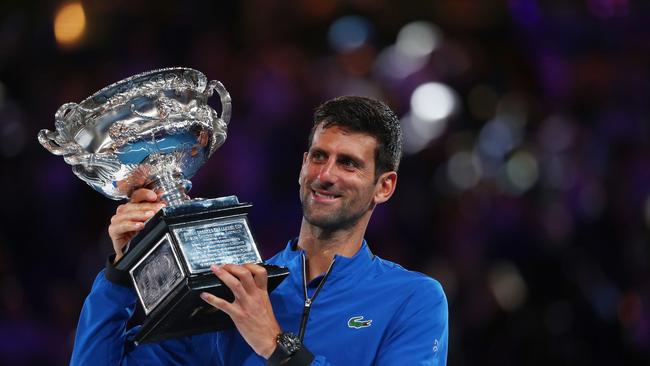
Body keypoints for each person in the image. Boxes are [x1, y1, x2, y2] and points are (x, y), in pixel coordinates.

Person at [70, 96, 448, 365]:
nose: (326, 175)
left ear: (384, 186)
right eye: (319, 156)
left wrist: (276, 346)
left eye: (348, 164)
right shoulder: (237, 291)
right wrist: (120, 276)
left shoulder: (412, 299)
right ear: (303, 166)